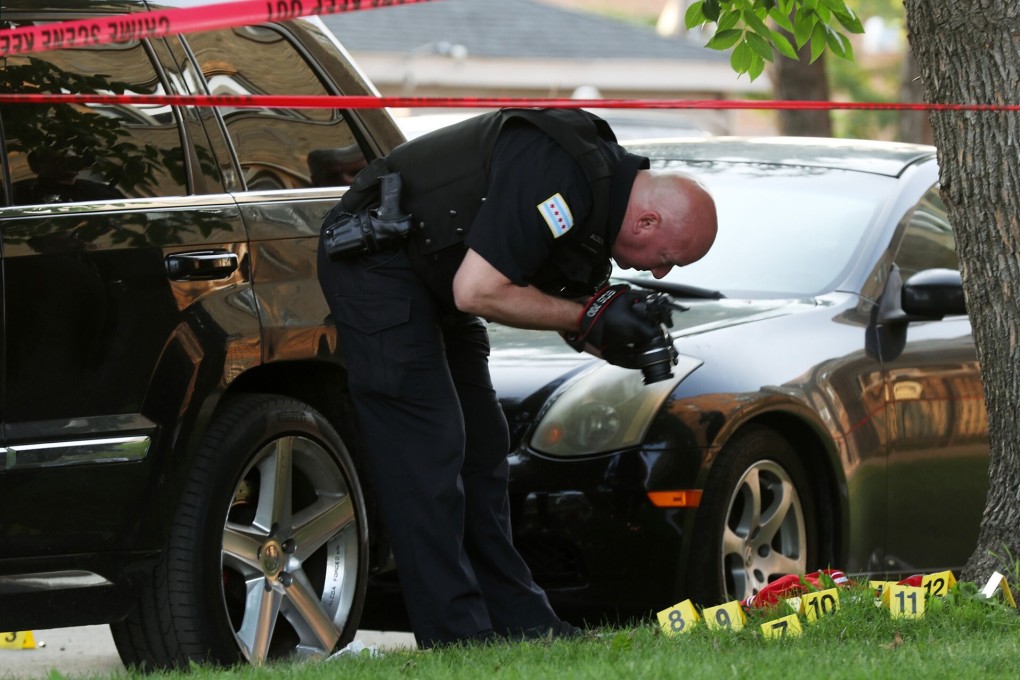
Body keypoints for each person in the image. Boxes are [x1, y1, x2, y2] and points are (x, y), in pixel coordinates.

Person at [316, 107, 717, 649]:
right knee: (428, 450)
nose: (659, 273)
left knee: (483, 446)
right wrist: (581, 317)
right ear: (647, 223)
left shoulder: (599, 202)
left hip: (434, 278)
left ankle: (522, 621)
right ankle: (456, 637)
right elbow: (478, 290)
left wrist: (617, 333)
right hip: (375, 262)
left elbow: (550, 304)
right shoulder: (562, 173)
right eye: (667, 259)